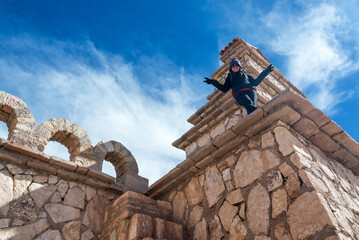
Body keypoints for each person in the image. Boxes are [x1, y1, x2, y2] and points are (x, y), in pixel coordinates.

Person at [204, 57, 274, 114]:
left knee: (253, 108)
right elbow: (224, 89)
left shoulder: (246, 74)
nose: (235, 67)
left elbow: (255, 82)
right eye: (233, 66)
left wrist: (265, 72)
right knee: (250, 105)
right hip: (239, 93)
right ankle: (262, 115)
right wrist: (213, 82)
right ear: (231, 68)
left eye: (236, 65)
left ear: (239, 66)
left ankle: (256, 121)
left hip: (251, 91)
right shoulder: (230, 77)